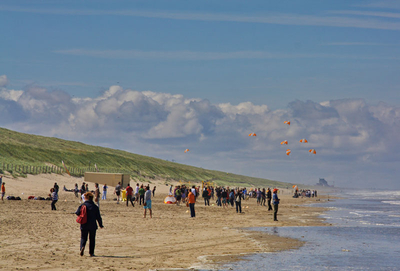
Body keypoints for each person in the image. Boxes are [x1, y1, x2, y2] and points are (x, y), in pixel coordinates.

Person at [76, 192, 104, 257]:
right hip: (93, 225)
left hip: (84, 224)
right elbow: (98, 217)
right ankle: (91, 253)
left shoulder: (83, 205)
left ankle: (82, 247)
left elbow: (77, 213)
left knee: (83, 237)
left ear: (85, 198)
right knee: (92, 239)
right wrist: (100, 225)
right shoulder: (95, 207)